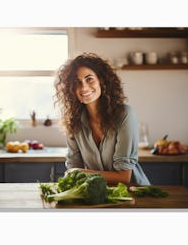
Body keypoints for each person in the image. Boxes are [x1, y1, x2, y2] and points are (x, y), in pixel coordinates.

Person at [54, 52, 150, 185]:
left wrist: (80, 173)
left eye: (89, 79)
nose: (84, 87)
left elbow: (124, 177)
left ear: (102, 81)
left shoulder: (125, 115)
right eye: (77, 82)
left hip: (135, 194)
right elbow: (73, 166)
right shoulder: (73, 121)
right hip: (99, 195)